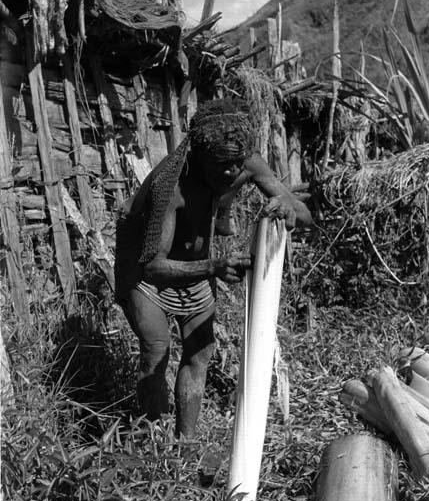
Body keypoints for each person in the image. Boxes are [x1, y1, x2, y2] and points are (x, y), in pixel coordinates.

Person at [115, 98, 311, 439]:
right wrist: (214, 266)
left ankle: (185, 445)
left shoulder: (246, 162)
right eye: (220, 164)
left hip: (197, 268)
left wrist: (286, 204)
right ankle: (155, 444)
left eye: (236, 164)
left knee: (199, 351)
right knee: (156, 350)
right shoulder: (171, 186)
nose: (230, 173)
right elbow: (154, 268)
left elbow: (304, 215)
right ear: (199, 156)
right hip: (145, 272)